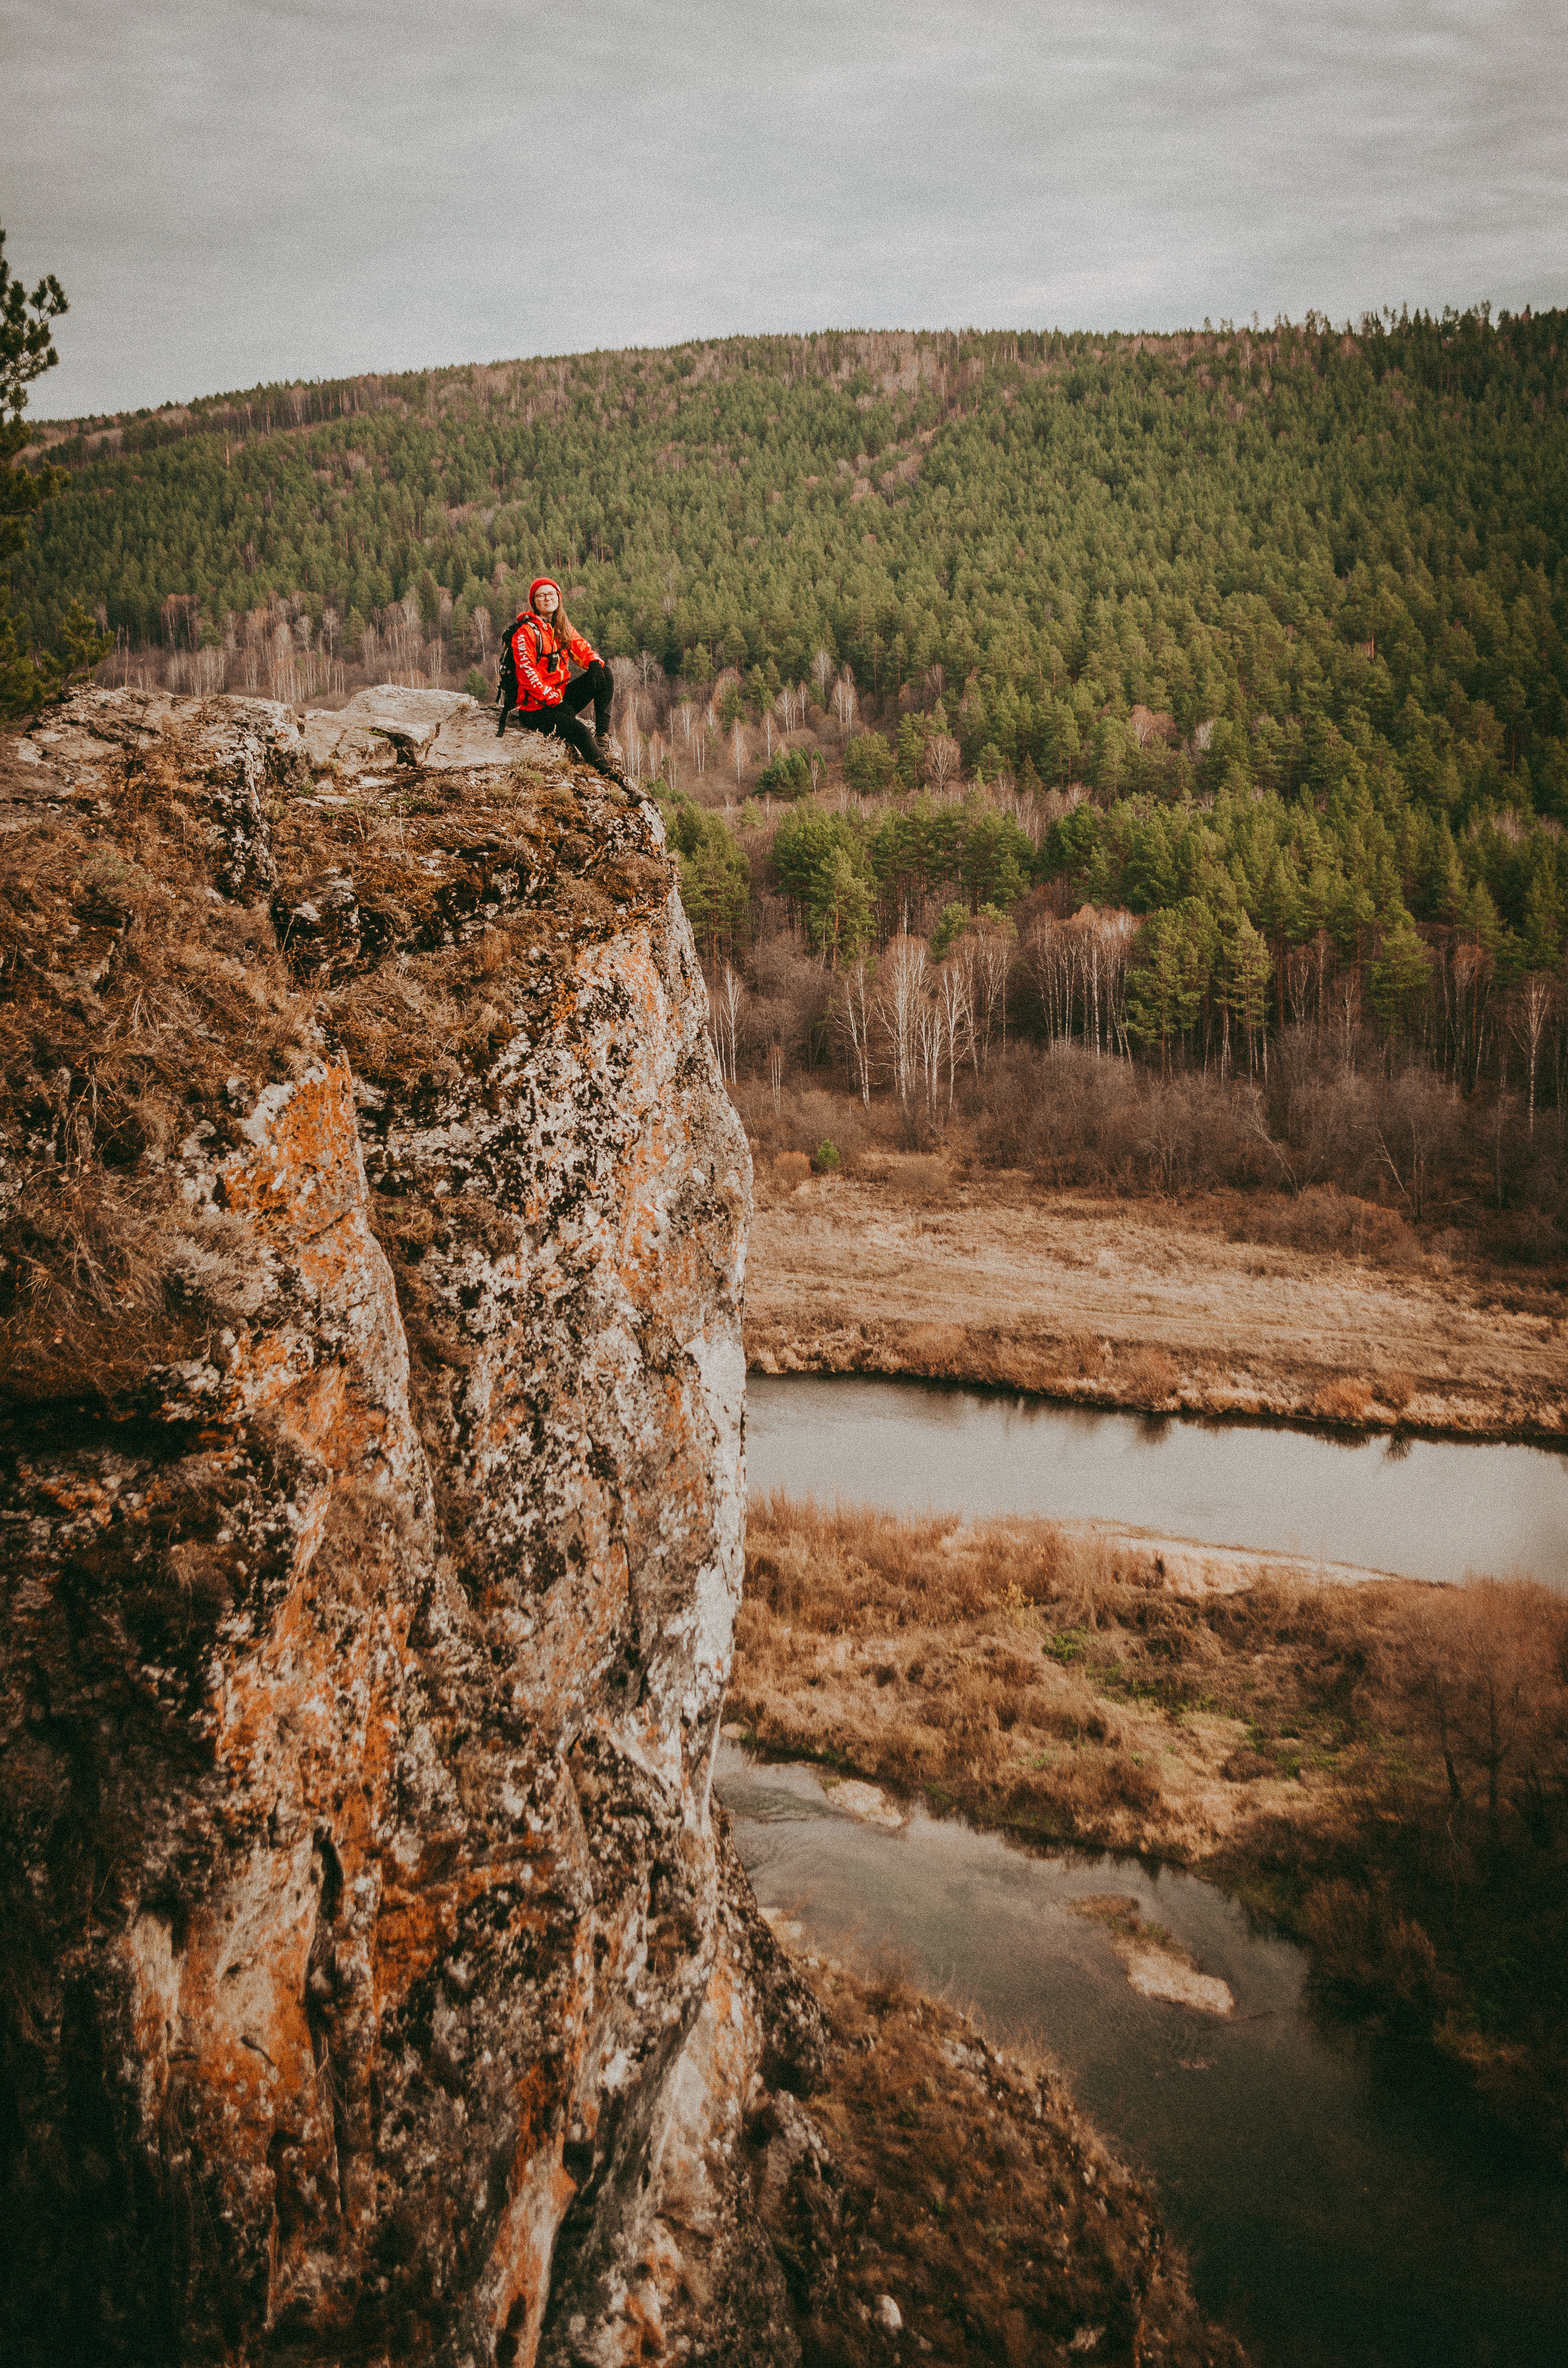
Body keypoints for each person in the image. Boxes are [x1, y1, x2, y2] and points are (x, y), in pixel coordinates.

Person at [499, 578, 625, 777]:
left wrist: (593, 663)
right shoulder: (525, 633)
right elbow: (527, 675)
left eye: (551, 594)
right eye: (541, 596)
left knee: (604, 673)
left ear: (558, 598)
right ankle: (611, 775)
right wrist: (553, 699)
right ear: (534, 602)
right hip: (535, 709)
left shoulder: (560, 625)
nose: (547, 599)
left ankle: (602, 735)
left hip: (560, 698)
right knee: (580, 731)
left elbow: (580, 647)